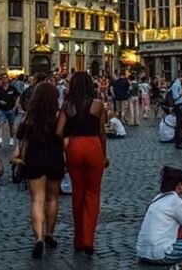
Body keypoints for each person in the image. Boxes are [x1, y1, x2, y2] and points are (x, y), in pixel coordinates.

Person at [56, 71, 109, 255]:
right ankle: (88, 239)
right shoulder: (98, 105)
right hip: (93, 145)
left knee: (77, 193)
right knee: (92, 194)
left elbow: (58, 131)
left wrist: (66, 149)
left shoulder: (68, 106)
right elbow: (102, 131)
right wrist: (104, 155)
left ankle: (78, 239)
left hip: (75, 146)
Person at [136, 166, 182, 265]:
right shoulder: (175, 201)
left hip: (142, 253)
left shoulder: (156, 198)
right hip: (161, 254)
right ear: (179, 185)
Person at [0, 75, 20, 148]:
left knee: (11, 125)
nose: (4, 79)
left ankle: (11, 139)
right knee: (0, 124)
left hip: (11, 109)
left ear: (8, 79)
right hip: (2, 110)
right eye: (3, 78)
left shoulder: (12, 88)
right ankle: (0, 140)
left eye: (6, 78)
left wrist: (16, 105)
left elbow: (18, 96)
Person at [170, 73, 182, 149]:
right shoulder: (176, 85)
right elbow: (175, 96)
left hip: (180, 104)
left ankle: (179, 140)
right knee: (179, 122)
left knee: (180, 122)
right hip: (178, 104)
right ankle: (178, 141)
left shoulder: (178, 84)